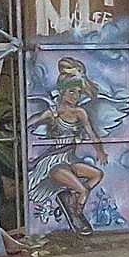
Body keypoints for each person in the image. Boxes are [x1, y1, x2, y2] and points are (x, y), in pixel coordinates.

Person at [25, 72, 108, 236]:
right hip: (53, 162)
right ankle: (76, 215)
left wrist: (100, 151)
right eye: (71, 91)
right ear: (62, 92)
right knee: (83, 191)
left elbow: (91, 133)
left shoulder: (80, 112)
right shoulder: (53, 112)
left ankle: (69, 198)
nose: (75, 96)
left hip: (69, 158)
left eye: (78, 92)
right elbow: (29, 122)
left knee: (97, 174)